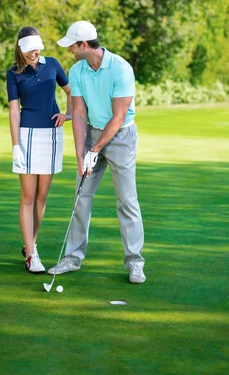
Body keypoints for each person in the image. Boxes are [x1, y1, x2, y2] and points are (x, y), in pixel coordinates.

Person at [47, 21, 145, 284]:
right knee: (81, 196)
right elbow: (78, 113)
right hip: (90, 132)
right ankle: (72, 257)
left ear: (84, 45)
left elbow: (119, 116)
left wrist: (97, 149)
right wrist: (81, 154)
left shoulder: (121, 68)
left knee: (126, 200)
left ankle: (135, 262)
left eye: (72, 44)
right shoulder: (77, 70)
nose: (69, 49)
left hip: (120, 135)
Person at [6, 26, 72, 274]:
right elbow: (14, 111)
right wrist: (15, 146)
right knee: (28, 196)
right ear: (20, 50)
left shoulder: (53, 64)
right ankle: (32, 255)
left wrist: (69, 114)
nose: (33, 54)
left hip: (52, 135)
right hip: (27, 136)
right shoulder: (13, 73)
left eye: (36, 50)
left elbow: (71, 92)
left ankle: (30, 244)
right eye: (28, 51)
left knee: (42, 197)